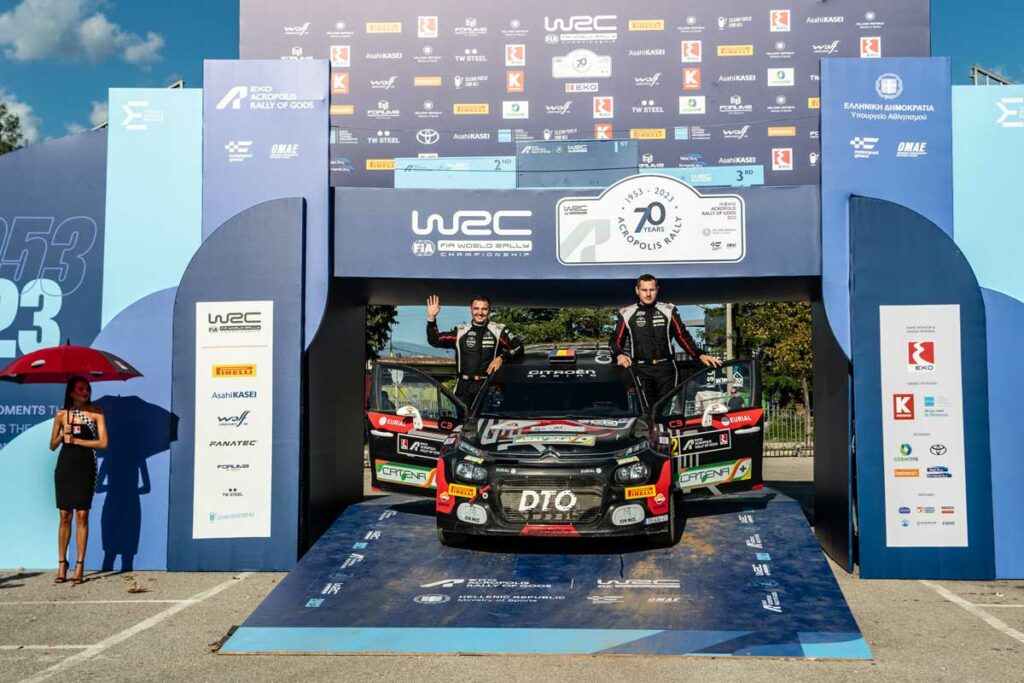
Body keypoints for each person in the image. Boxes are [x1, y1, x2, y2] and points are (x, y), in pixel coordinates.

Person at [610, 274, 723, 405]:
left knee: (665, 407)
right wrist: (619, 355)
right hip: (641, 369)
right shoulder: (626, 313)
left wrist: (699, 354)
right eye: (644, 290)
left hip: (666, 368)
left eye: (652, 290)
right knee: (646, 408)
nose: (648, 294)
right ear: (637, 290)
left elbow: (682, 336)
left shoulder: (669, 310)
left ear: (657, 290)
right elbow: (615, 340)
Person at [48, 377, 108, 585]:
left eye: (87, 389)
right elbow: (52, 445)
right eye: (81, 389)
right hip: (65, 467)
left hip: (85, 467)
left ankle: (80, 565)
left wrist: (78, 440)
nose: (85, 392)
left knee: (82, 515)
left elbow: (103, 442)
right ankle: (62, 564)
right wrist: (62, 434)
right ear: (71, 392)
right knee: (65, 515)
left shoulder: (97, 412)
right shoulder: (61, 414)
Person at [426, 294, 523, 406]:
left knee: (489, 417)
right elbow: (435, 340)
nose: (480, 313)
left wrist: (502, 358)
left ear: (489, 310)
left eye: (484, 309)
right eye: (476, 308)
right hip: (463, 387)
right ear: (470, 310)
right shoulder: (460, 331)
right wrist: (431, 318)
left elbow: (519, 347)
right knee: (462, 417)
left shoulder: (498, 330)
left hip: (489, 384)